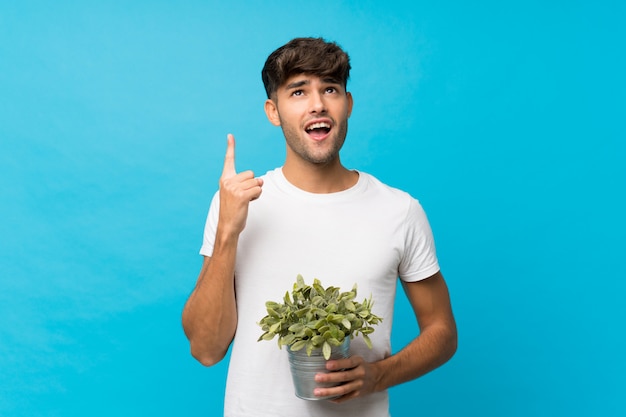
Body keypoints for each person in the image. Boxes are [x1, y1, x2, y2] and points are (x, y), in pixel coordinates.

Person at [182, 37, 457, 417]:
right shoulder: (237, 205)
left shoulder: (400, 210)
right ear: (273, 111)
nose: (317, 104)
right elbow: (206, 349)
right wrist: (228, 231)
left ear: (348, 104)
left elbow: (442, 332)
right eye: (298, 91)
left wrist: (378, 376)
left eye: (330, 89)